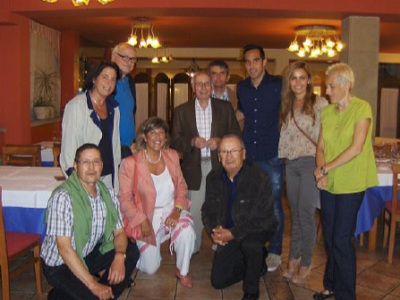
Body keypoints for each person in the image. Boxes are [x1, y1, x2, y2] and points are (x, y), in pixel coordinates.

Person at [313, 63, 378, 300]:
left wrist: (325, 168)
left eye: (331, 86)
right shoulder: (327, 112)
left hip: (351, 182)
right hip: (329, 183)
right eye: (326, 86)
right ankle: (331, 285)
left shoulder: (362, 108)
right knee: (330, 237)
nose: (327, 91)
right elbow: (320, 146)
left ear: (346, 85)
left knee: (341, 239)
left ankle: (346, 295)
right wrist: (320, 171)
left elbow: (357, 147)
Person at [41, 143, 139, 300]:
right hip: (60, 264)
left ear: (101, 165)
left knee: (131, 251)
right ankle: (61, 295)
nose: (91, 167)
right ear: (75, 165)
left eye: (96, 162)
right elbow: (64, 248)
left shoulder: (107, 193)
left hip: (86, 253)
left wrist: (120, 257)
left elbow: (120, 232)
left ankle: (88, 293)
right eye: (85, 162)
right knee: (93, 294)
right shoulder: (63, 197)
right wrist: (93, 285)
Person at [119, 117, 196, 288]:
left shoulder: (172, 156)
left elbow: (182, 186)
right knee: (150, 268)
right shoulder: (130, 163)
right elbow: (124, 199)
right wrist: (142, 220)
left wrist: (177, 210)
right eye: (152, 132)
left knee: (187, 231)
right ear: (144, 137)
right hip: (146, 216)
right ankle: (141, 251)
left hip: (171, 210)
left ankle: (182, 270)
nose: (158, 137)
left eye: (161, 132)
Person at [171, 71, 241, 253]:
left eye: (206, 84)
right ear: (193, 88)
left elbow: (235, 133)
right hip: (194, 168)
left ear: (212, 86)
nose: (203, 87)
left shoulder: (225, 108)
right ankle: (192, 247)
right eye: (198, 84)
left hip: (221, 165)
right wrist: (192, 142)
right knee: (194, 210)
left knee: (221, 206)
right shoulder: (181, 110)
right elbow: (175, 140)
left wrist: (220, 141)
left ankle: (220, 244)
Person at [202, 134, 277, 300]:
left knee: (250, 245)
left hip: (256, 229)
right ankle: (257, 262)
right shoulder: (213, 178)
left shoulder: (259, 177)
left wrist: (234, 233)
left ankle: (251, 291)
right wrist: (215, 230)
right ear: (218, 157)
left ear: (243, 154)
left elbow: (265, 217)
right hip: (229, 231)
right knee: (218, 281)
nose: (228, 156)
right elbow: (208, 210)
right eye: (223, 152)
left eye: (233, 151)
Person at [278, 62, 328, 284]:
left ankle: (306, 260)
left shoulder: (319, 103)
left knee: (306, 214)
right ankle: (293, 256)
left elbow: (326, 137)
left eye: (301, 77)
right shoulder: (286, 105)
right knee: (296, 214)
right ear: (288, 82)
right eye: (293, 78)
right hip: (291, 164)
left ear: (308, 80)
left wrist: (323, 167)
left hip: (310, 163)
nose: (297, 82)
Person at [236, 44, 283, 272]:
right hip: (249, 155)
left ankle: (274, 250)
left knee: (273, 206)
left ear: (265, 62)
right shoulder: (242, 87)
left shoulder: (278, 85)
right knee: (251, 206)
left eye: (256, 60)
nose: (251, 65)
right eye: (247, 61)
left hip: (272, 154)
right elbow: (240, 114)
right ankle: (253, 248)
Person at [60, 61, 121, 191]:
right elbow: (68, 150)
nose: (109, 83)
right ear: (94, 79)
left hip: (108, 176)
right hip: (85, 178)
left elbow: (114, 146)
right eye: (105, 77)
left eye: (113, 79)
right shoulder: (76, 106)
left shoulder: (114, 109)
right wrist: (77, 184)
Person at [111, 42, 137, 159]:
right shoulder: (106, 81)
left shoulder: (129, 81)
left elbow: (130, 114)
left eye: (132, 59)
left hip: (128, 149)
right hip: (111, 148)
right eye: (125, 57)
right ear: (113, 56)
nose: (129, 62)